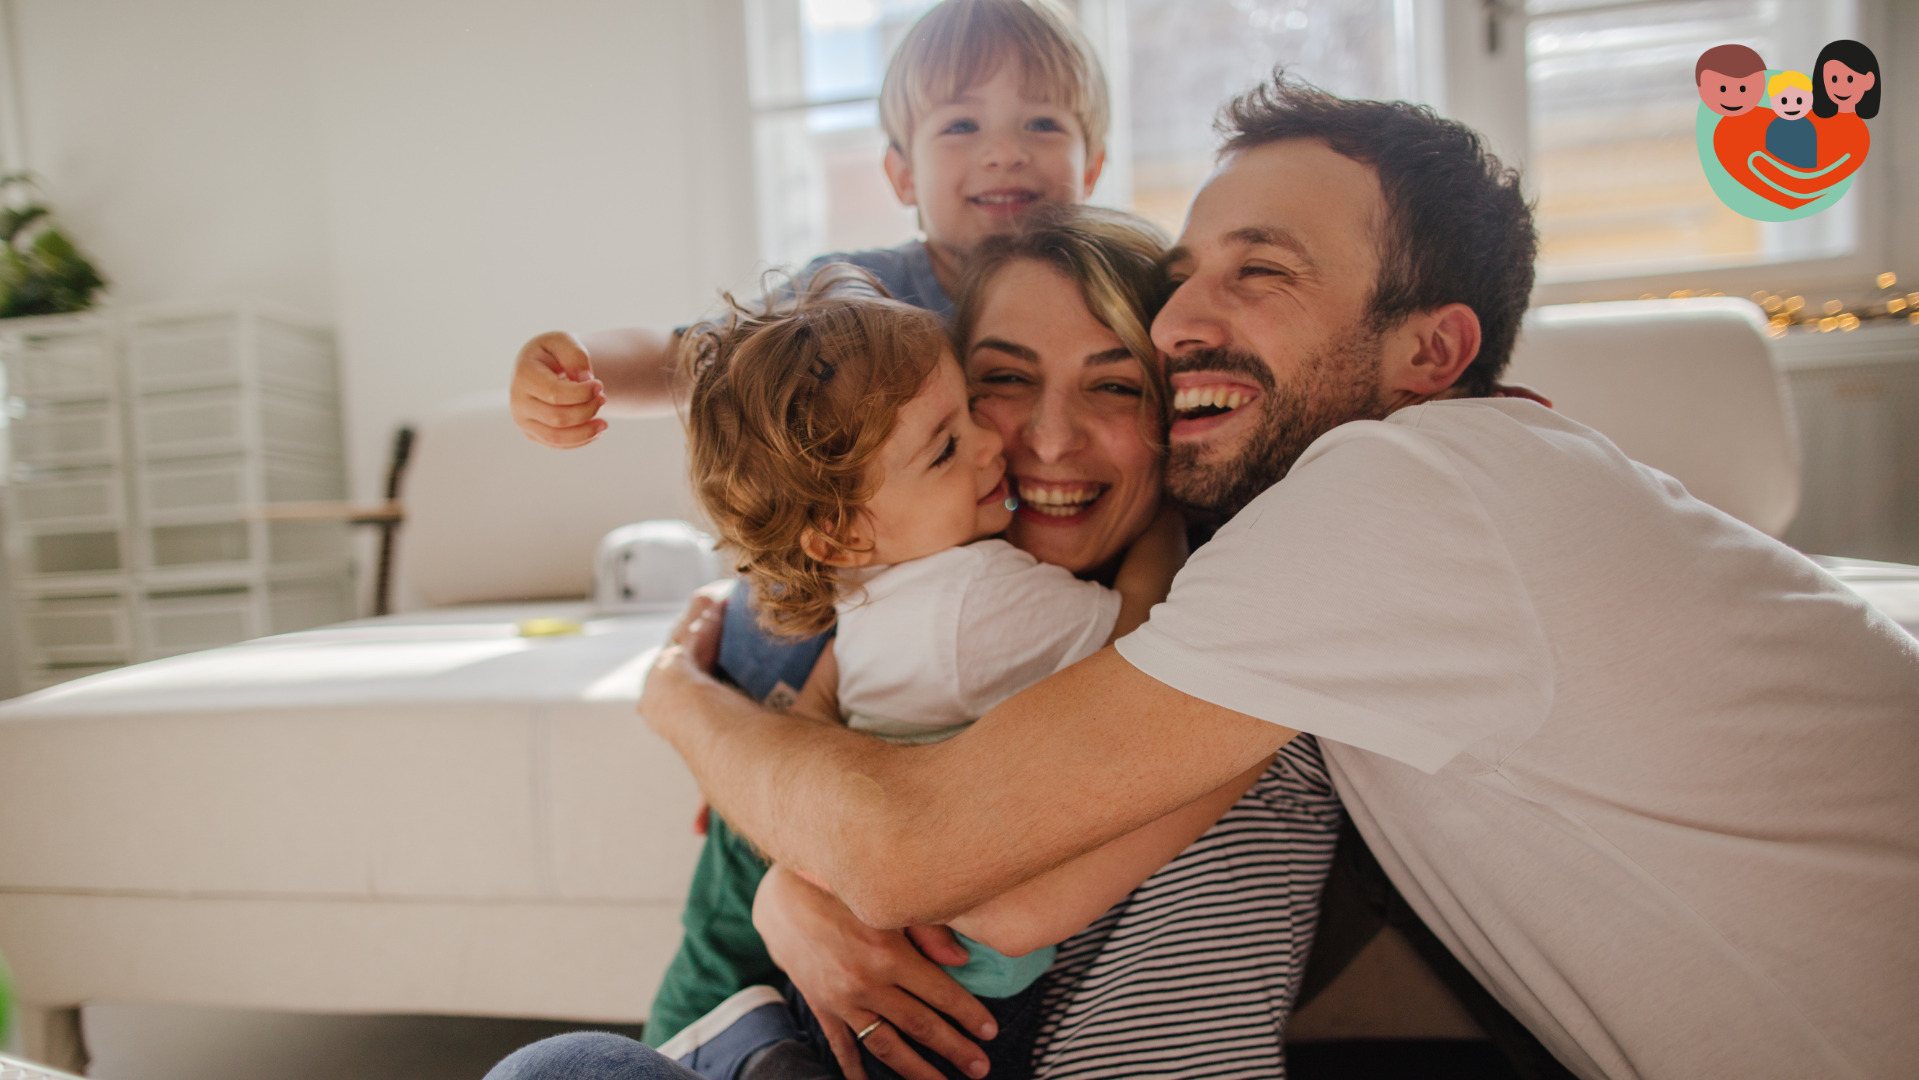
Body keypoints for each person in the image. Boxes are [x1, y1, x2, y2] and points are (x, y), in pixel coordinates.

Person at [640, 76, 1919, 1080]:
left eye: (1258, 272)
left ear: (1432, 350)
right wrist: (793, 879)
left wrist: (678, 702)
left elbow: (936, 861)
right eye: (1185, 274)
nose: (1182, 319)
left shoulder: (1397, 495)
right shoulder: (1377, 524)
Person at [505, 0, 1107, 448]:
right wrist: (580, 365)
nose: (1004, 152)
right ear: (902, 176)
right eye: (961, 127)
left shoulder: (1121, 294)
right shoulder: (850, 292)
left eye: (1042, 124)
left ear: (1093, 169)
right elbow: (693, 357)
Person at [1762, 71, 1816, 169]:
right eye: (1784, 101)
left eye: (1799, 100)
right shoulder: (1773, 127)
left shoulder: (1808, 126)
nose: (1791, 106)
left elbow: (1810, 158)